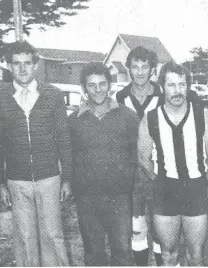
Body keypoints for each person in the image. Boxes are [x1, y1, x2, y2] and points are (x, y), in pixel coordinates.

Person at [0, 41, 71, 266]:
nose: (22, 69)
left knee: (52, 235)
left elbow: (63, 138)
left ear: (36, 65)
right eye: (17, 64)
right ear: (9, 66)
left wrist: (67, 179)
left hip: (49, 178)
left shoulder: (53, 95)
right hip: (17, 180)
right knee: (24, 238)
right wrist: (1, 183)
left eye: (27, 63)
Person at [138, 62, 208, 266]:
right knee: (168, 254)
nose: (177, 91)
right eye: (171, 85)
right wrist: (159, 180)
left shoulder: (202, 115)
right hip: (165, 191)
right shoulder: (150, 119)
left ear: (188, 86)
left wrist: (202, 182)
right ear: (162, 87)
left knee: (196, 256)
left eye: (182, 84)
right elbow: (142, 158)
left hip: (195, 190)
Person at [66, 62, 139, 266]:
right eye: (92, 85)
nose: (98, 90)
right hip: (87, 198)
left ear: (109, 85)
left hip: (119, 198)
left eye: (102, 84)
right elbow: (69, 156)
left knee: (122, 252)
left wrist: (128, 183)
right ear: (84, 88)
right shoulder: (73, 121)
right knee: (93, 254)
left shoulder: (128, 117)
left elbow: (137, 155)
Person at [115, 46, 164, 266]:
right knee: (136, 227)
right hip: (130, 172)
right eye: (135, 67)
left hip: (158, 171)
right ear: (128, 69)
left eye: (145, 67)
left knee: (161, 227)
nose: (140, 72)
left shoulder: (163, 96)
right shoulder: (120, 97)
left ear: (153, 69)